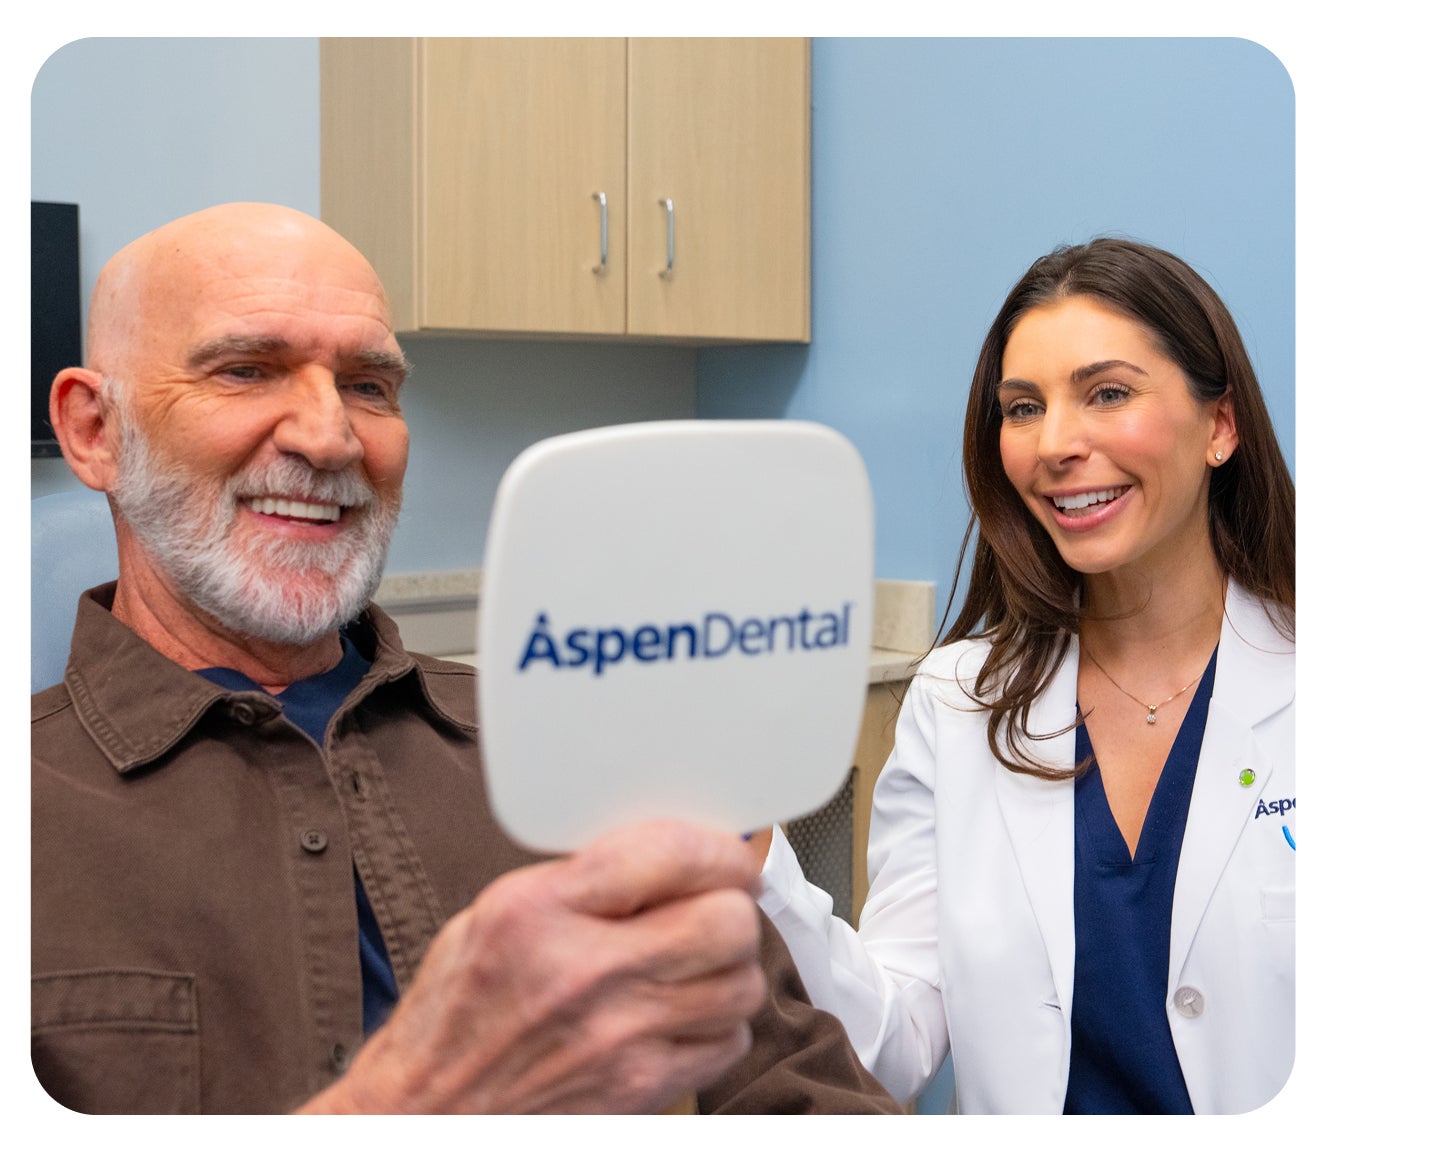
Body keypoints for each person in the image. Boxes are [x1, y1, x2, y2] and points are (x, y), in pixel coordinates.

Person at [30, 202, 899, 1115]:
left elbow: (803, 1093)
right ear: (95, 430)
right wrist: (415, 1097)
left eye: (369, 387)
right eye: (247, 371)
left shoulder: (579, 747)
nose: (330, 438)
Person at [750, 238, 1295, 1114]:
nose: (1055, 444)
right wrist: (752, 858)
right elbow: (890, 1047)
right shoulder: (957, 701)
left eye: (1107, 393)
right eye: (1022, 407)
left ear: (1220, 426)